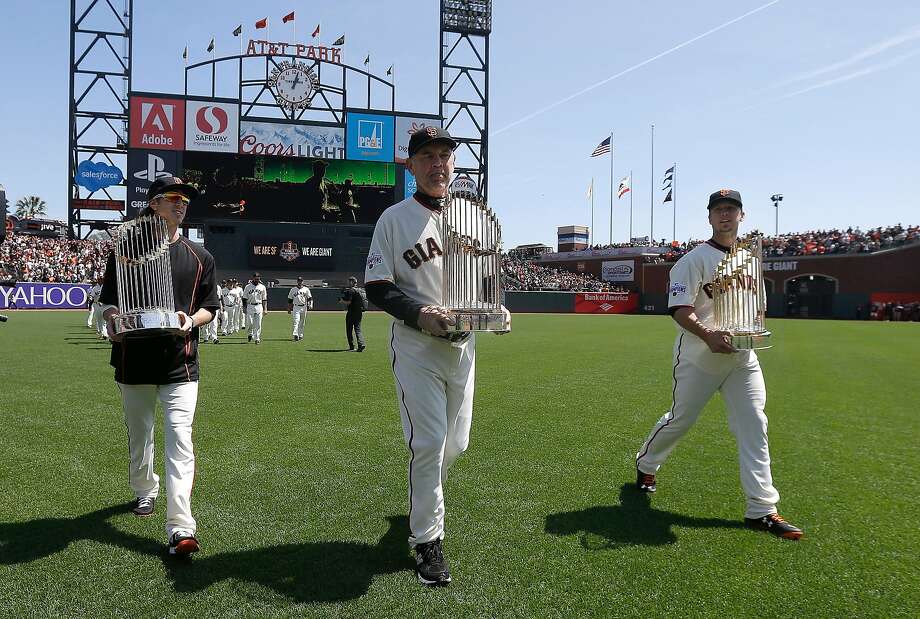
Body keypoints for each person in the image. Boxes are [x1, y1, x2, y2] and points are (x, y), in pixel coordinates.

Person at [364, 127, 511, 586]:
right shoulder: (394, 218)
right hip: (417, 346)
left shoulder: (475, 220)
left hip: (464, 346)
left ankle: (421, 499)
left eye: (445, 155)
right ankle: (428, 540)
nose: (438, 163)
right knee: (427, 442)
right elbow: (377, 287)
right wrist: (418, 313)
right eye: (427, 155)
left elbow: (487, 281)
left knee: (457, 444)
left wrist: (497, 308)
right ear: (411, 166)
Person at [634, 189, 803, 540]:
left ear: (742, 215)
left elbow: (756, 306)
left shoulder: (749, 259)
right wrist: (708, 334)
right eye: (719, 210)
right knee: (682, 419)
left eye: (732, 209)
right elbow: (679, 309)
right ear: (709, 218)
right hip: (700, 355)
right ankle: (647, 464)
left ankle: (762, 508)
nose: (725, 214)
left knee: (754, 423)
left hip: (743, 356)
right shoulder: (693, 260)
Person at [97, 176, 219, 556]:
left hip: (180, 363)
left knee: (181, 438)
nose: (181, 205)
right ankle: (144, 490)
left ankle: (181, 526)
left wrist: (191, 321)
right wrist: (113, 320)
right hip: (133, 359)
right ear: (153, 204)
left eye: (185, 200)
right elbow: (106, 302)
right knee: (141, 432)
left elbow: (209, 308)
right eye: (172, 199)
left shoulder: (201, 256)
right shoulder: (125, 252)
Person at [339, 276, 366, 351]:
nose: (347, 283)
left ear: (351, 282)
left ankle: (352, 346)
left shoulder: (351, 291)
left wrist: (341, 301)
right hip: (359, 312)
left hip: (351, 312)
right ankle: (361, 344)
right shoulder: (361, 290)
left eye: (348, 281)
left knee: (349, 329)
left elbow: (348, 302)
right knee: (358, 329)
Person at [287, 276, 313, 341]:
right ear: (297, 281)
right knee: (296, 321)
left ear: (303, 281)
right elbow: (290, 300)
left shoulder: (306, 289)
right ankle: (295, 334)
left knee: (302, 322)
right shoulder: (293, 289)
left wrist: (310, 304)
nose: (300, 282)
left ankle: (300, 335)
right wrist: (289, 309)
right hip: (296, 307)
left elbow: (310, 298)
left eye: (301, 281)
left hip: (304, 307)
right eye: (299, 280)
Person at [245, 272, 268, 344]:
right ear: (253, 278)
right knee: (250, 323)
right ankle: (250, 334)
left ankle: (257, 338)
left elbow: (264, 299)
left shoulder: (262, 287)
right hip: (250, 305)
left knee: (258, 323)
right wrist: (244, 307)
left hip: (259, 305)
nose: (257, 280)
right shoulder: (248, 287)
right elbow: (244, 298)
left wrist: (265, 309)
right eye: (255, 279)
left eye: (258, 279)